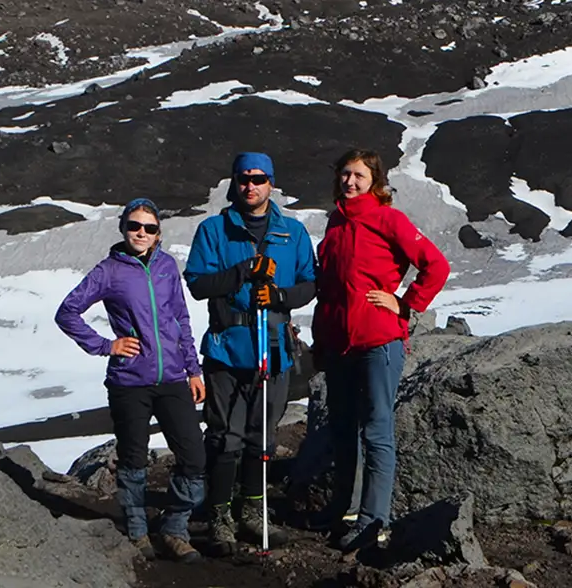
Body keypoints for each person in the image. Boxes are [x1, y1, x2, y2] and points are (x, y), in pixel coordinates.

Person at [313, 148, 450, 552]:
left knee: (376, 430)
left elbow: (435, 265)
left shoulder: (388, 218)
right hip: (339, 344)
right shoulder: (336, 222)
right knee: (342, 429)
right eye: (345, 174)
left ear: (375, 181)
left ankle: (375, 520)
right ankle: (346, 510)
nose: (350, 182)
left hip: (379, 341)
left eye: (358, 175)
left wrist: (405, 304)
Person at [55, 198, 206, 562]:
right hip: (129, 381)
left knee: (194, 456)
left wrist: (194, 369)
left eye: (149, 228)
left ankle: (174, 527)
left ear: (158, 234)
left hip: (171, 377)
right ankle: (138, 532)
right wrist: (107, 345)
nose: (141, 232)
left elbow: (181, 321)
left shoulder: (168, 266)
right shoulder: (108, 271)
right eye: (134, 226)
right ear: (123, 229)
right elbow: (67, 312)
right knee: (134, 459)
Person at [184, 152, 317, 554]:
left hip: (273, 349)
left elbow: (310, 284)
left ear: (270, 183)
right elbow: (198, 283)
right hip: (228, 349)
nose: (251, 185)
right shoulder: (214, 230)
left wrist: (278, 294)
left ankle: (252, 511)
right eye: (244, 178)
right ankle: (220, 515)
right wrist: (244, 271)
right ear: (234, 182)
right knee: (226, 437)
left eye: (259, 178)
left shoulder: (291, 234)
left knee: (262, 436)